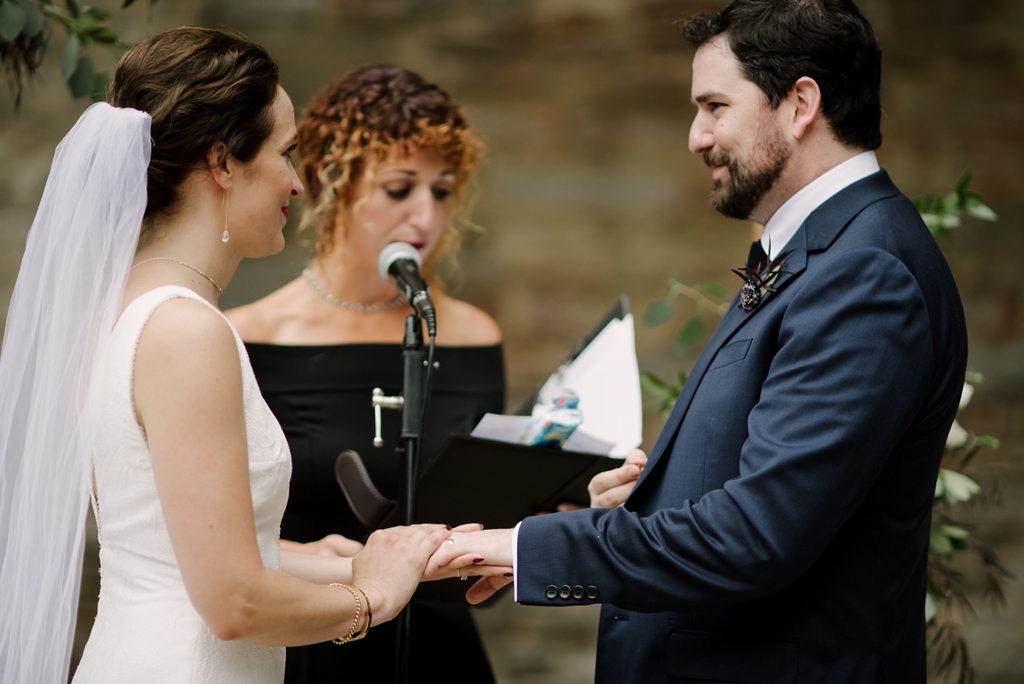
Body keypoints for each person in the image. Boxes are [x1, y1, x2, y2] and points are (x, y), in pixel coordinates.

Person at [429, 1, 968, 682]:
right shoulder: (823, 252)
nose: (695, 136)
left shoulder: (864, 272)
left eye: (715, 106)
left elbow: (757, 534)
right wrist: (649, 498)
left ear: (801, 104)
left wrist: (528, 548)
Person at [0, 28, 503, 684]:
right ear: (222, 163)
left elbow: (174, 543)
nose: (297, 181)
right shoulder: (186, 331)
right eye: (286, 152)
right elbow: (234, 603)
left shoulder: (124, 308)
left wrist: (367, 558)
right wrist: (373, 598)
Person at [226, 65, 502, 683]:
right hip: (304, 646)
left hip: (441, 651)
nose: (426, 217)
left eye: (443, 190)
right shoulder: (244, 336)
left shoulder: (471, 333)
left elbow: (483, 505)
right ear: (330, 180)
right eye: (401, 189)